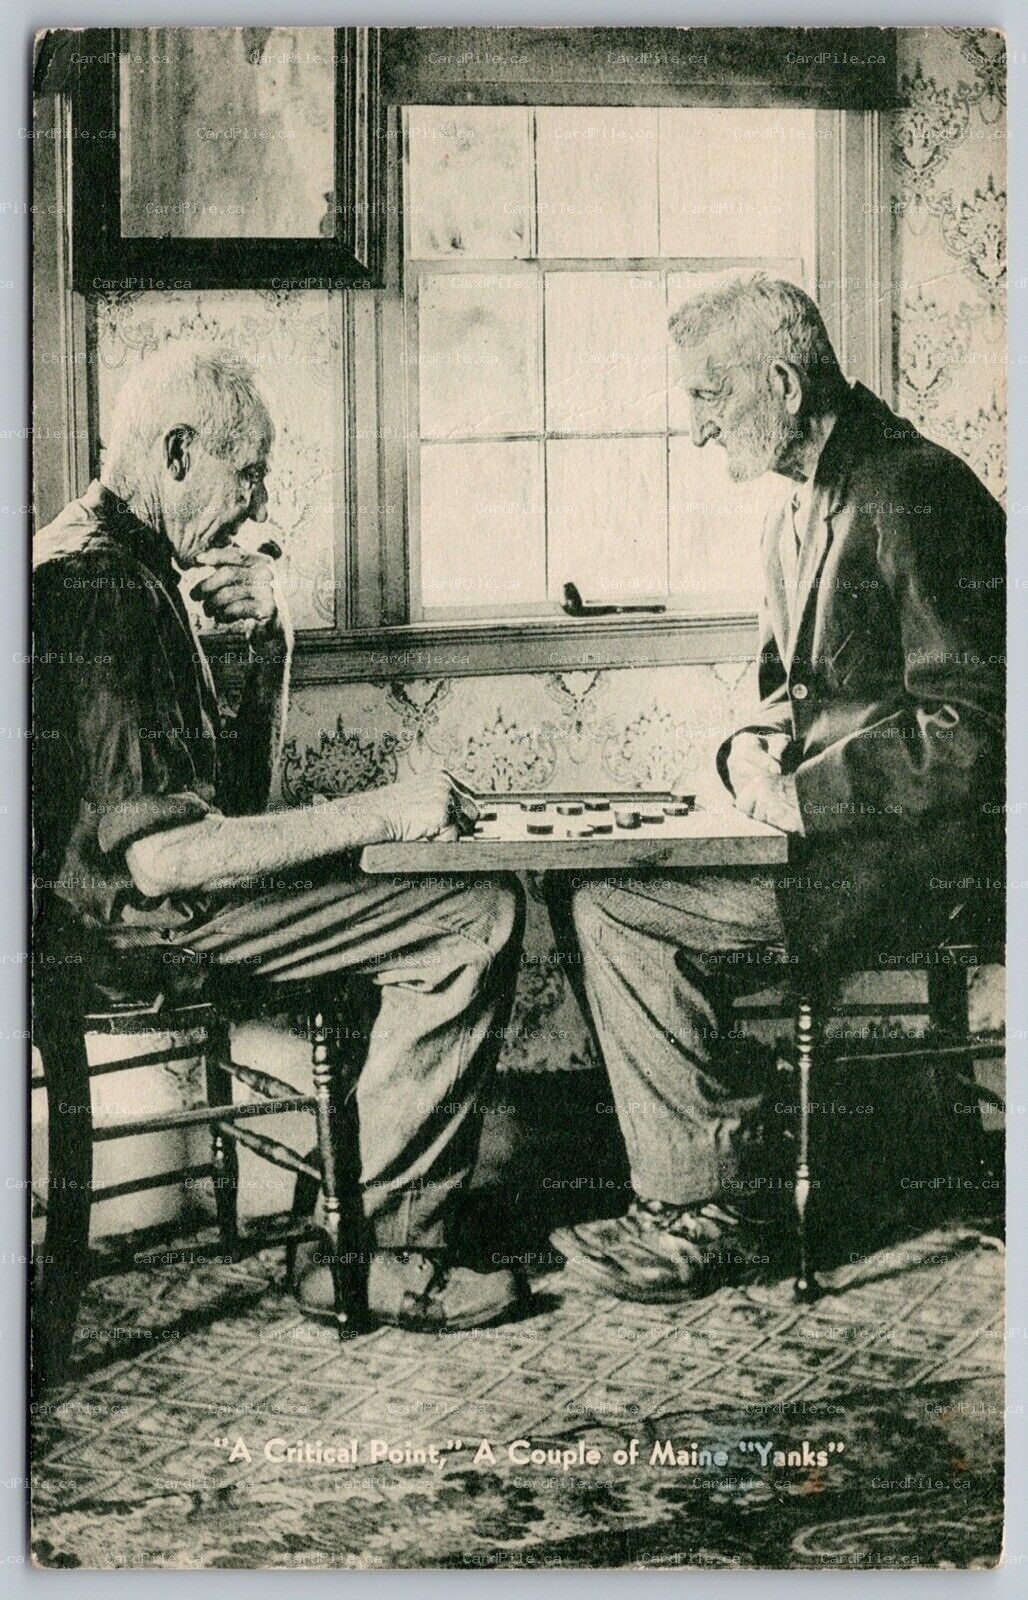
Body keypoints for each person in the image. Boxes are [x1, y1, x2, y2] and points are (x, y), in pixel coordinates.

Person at [33, 342, 525, 1333]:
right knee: (473, 913)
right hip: (136, 936)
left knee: (447, 897)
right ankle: (379, 1251)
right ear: (178, 453)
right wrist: (380, 812)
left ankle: (352, 1220)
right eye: (246, 469)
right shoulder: (103, 590)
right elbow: (166, 857)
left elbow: (222, 797)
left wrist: (259, 645)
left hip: (136, 915)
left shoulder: (123, 559)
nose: (258, 506)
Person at [551, 276, 1005, 1303]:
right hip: (838, 846)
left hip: (927, 863)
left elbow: (976, 728)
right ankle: (709, 1171)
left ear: (780, 382)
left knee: (616, 914)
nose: (696, 425)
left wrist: (801, 798)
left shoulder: (915, 489)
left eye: (707, 396)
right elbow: (778, 696)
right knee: (585, 897)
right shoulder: (795, 513)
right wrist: (741, 758)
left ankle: (707, 1207)